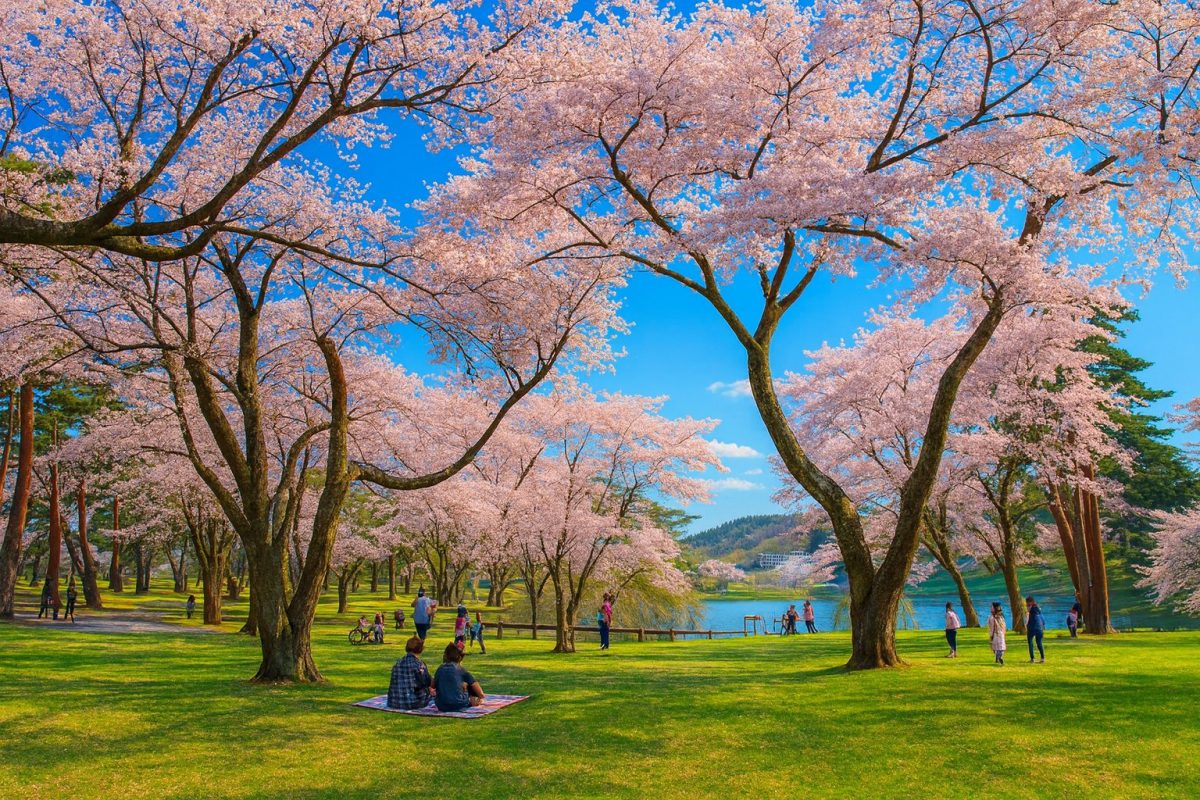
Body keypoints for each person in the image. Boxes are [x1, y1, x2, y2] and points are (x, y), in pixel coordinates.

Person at [434, 643, 485, 712]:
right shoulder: (461, 670)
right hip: (459, 704)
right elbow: (480, 692)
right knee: (469, 689)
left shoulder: (440, 669)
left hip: (441, 705)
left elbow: (432, 685)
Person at [387, 637, 433, 710]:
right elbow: (426, 682)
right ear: (420, 649)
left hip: (393, 702)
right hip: (412, 702)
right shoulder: (419, 664)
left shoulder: (398, 663)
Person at [1026, 596, 1046, 663]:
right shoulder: (1038, 609)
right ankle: (1042, 658)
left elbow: (1026, 620)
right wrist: (1043, 626)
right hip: (1040, 628)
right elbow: (1042, 618)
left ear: (1029, 602)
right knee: (1039, 642)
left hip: (1032, 627)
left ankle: (1032, 658)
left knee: (1030, 642)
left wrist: (1026, 625)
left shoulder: (1030, 610)